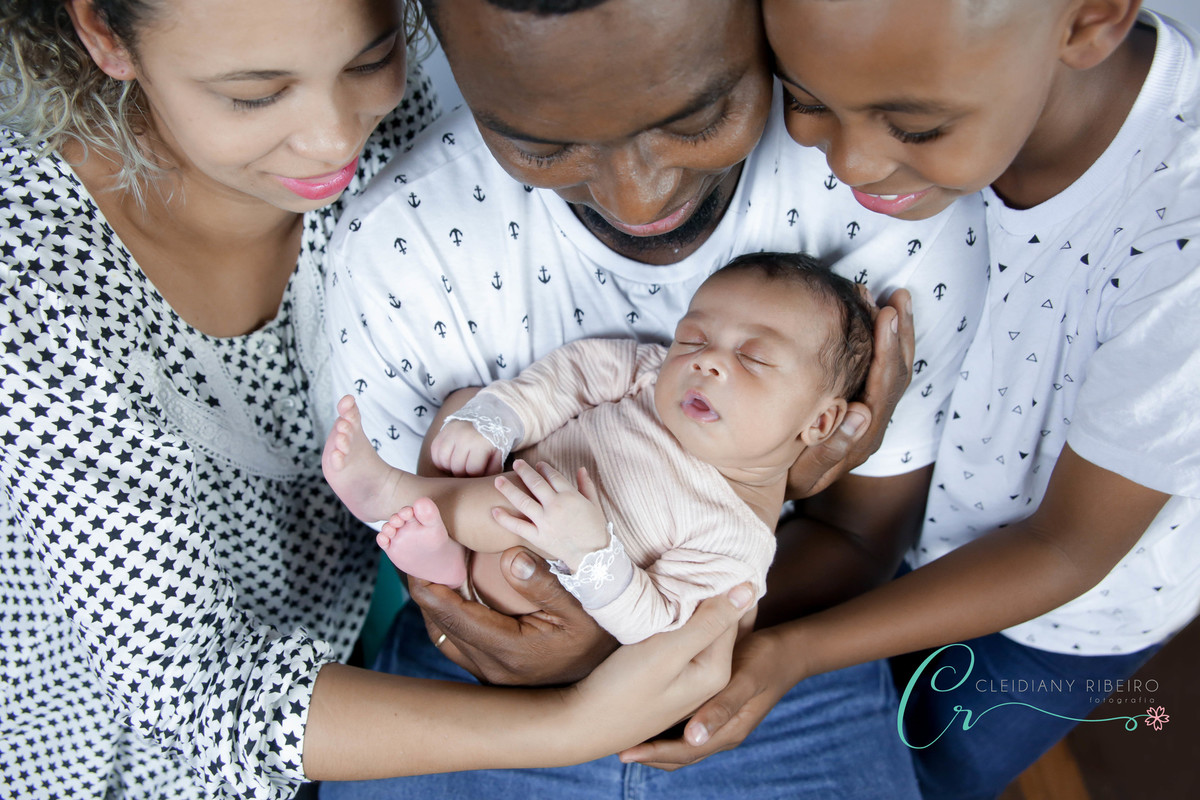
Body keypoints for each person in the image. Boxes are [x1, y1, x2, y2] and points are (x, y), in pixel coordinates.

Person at [0, 1, 754, 798]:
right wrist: (573, 723)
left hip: (355, 664)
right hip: (114, 760)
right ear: (106, 33)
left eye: (369, 60)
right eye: (254, 95)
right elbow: (191, 690)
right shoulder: (33, 279)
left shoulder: (393, 125)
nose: (333, 138)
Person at [322, 0, 989, 797]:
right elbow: (457, 507)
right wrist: (496, 421)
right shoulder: (400, 246)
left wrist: (612, 637)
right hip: (480, 646)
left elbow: (862, 536)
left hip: (762, 642)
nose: (639, 202)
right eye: (542, 143)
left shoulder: (886, 191)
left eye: (698, 117)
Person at [618, 1, 1200, 797]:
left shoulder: (1181, 241)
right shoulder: (924, 88)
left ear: (1089, 19)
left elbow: (1069, 549)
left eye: (916, 127)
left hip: (1049, 620)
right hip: (890, 531)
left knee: (922, 772)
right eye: (809, 99)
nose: (851, 165)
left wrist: (794, 652)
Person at [323, 254, 873, 643]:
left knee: (523, 509)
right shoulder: (655, 372)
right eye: (694, 338)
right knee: (471, 403)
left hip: (535, 584)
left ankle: (391, 493)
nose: (708, 361)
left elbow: (658, 624)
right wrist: (503, 417)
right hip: (503, 493)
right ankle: (446, 567)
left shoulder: (737, 545)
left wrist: (589, 554)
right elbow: (574, 374)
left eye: (753, 358)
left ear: (819, 420)